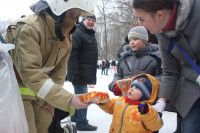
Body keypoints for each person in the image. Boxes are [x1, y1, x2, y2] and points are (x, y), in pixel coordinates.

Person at [2, 0, 94, 133]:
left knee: (44, 125)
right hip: (14, 89)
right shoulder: (29, 29)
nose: (74, 19)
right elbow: (30, 73)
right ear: (57, 9)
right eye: (71, 13)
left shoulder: (66, 36)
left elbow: (59, 72)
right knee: (26, 128)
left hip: (39, 91)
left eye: (77, 15)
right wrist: (68, 99)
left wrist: (52, 102)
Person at [132, 0, 200, 132]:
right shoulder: (162, 33)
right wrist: (161, 100)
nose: (139, 24)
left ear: (160, 15)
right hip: (192, 89)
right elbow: (170, 71)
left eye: (141, 19)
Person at [97, 74, 163, 133]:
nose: (131, 89)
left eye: (137, 88)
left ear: (145, 95)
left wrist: (146, 113)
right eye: (132, 86)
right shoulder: (120, 100)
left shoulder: (146, 109)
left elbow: (156, 126)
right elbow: (110, 107)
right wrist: (103, 102)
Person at [109, 26, 161, 96]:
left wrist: (149, 86)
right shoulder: (124, 58)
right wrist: (114, 85)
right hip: (126, 98)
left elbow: (160, 76)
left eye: (135, 39)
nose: (131, 42)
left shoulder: (154, 58)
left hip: (145, 98)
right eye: (130, 40)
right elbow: (119, 74)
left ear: (144, 41)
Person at [67, 14, 98, 131]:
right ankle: (82, 123)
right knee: (84, 98)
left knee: (79, 96)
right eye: (89, 20)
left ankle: (75, 117)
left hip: (85, 72)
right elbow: (72, 55)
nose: (91, 22)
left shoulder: (89, 34)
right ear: (83, 20)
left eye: (93, 20)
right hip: (79, 73)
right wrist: (75, 74)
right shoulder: (78, 33)